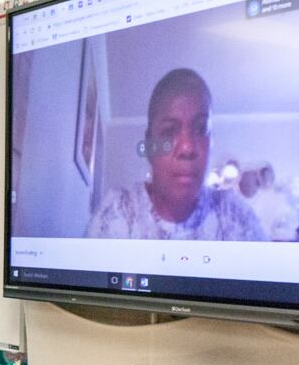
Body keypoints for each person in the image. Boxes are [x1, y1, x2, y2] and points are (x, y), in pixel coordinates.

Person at [89, 68, 266, 241]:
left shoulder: (235, 215)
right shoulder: (118, 213)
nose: (187, 148)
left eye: (200, 128)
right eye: (169, 131)